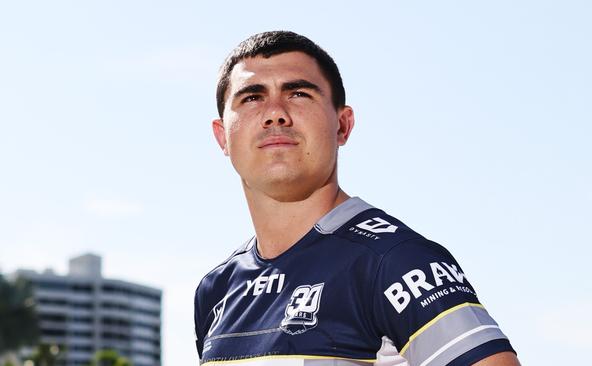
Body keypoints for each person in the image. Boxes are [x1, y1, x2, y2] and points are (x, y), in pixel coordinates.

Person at [194, 31, 520, 366]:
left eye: (299, 94)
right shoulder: (216, 289)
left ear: (343, 125)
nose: (275, 113)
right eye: (252, 98)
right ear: (222, 137)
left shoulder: (393, 260)